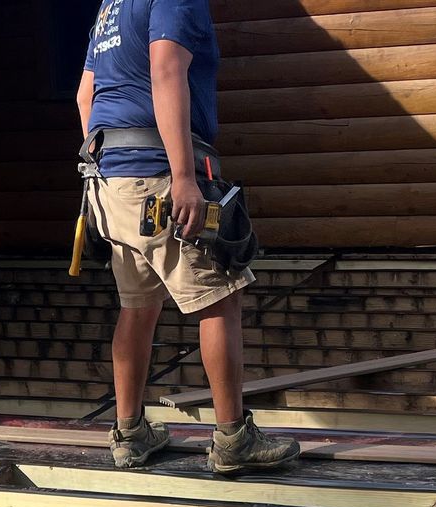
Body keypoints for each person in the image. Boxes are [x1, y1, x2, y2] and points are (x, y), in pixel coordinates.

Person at [77, 0, 299, 475]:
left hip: (109, 181)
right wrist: (182, 175)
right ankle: (233, 438)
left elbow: (85, 95)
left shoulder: (111, 7)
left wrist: (108, 168)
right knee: (220, 300)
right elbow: (165, 68)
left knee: (138, 305)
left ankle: (131, 432)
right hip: (158, 174)